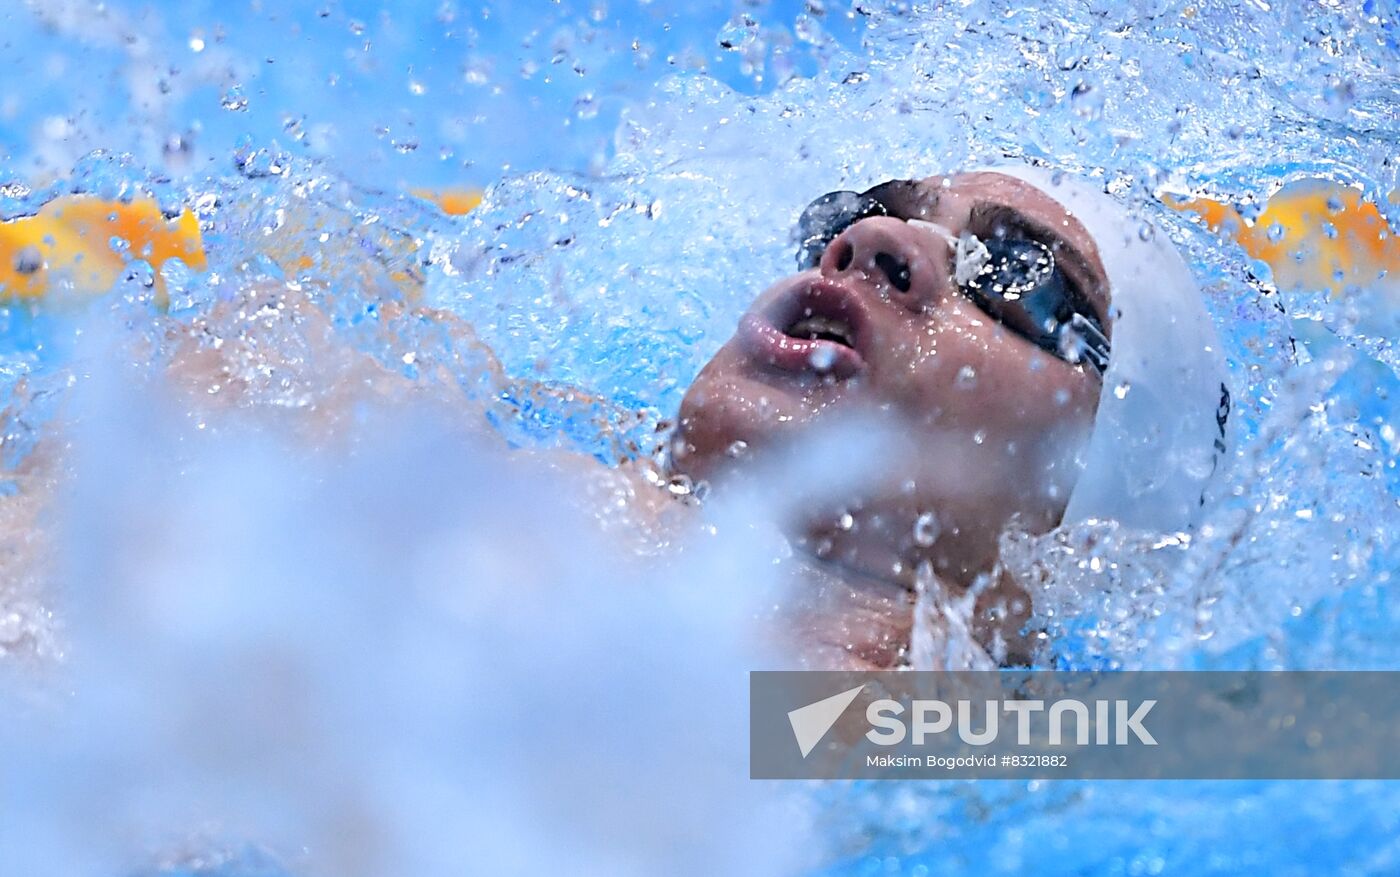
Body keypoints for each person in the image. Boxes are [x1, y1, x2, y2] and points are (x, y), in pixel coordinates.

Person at [157, 164, 1234, 671]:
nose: (869, 246)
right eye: (865, 211)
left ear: (1087, 505)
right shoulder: (332, 404)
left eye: (1013, 278)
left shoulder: (932, 751)